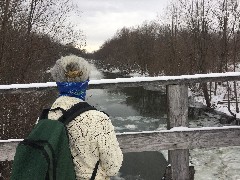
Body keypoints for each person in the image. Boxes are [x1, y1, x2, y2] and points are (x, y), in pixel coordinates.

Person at [49, 55, 123, 180]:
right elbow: (113, 167)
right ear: (85, 81)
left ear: (57, 80)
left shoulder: (45, 118)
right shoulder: (98, 120)